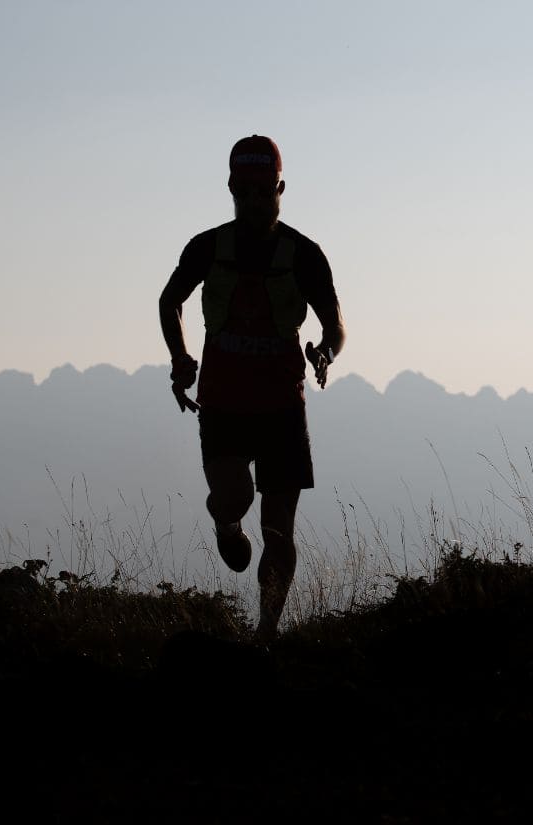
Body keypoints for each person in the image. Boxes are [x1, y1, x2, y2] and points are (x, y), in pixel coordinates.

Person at [158, 135, 346, 642]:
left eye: (265, 191)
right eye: (246, 191)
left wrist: (325, 354)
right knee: (234, 494)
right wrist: (180, 361)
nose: (256, 201)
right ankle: (225, 522)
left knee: (279, 529)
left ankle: (266, 636)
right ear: (231, 188)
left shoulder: (304, 255)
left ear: (280, 188)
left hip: (283, 406)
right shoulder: (207, 247)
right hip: (221, 403)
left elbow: (335, 326)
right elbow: (169, 301)